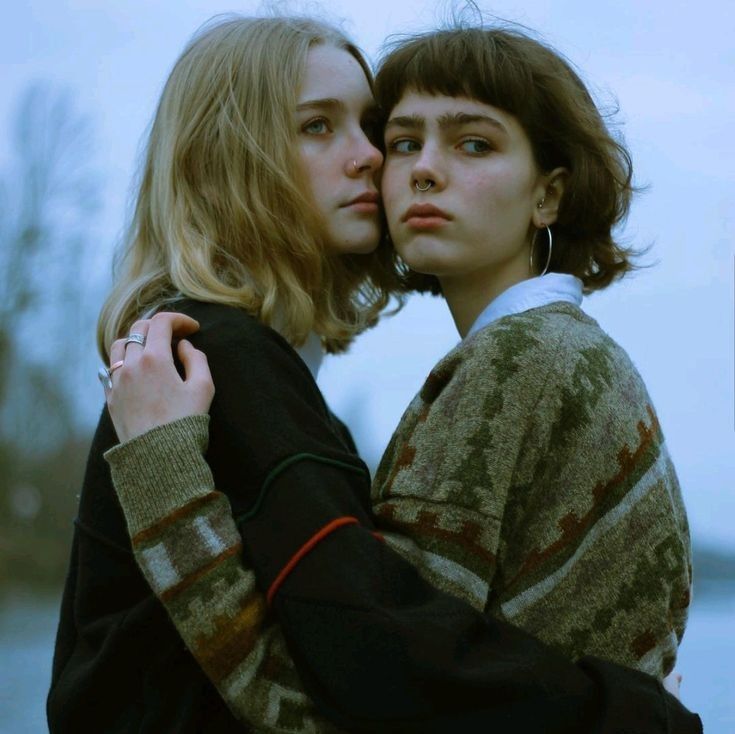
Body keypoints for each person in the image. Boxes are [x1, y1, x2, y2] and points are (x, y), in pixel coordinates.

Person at [50, 14, 700, 734]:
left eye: (368, 129)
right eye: (319, 127)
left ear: (547, 194)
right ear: (230, 158)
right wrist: (635, 715)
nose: (374, 160)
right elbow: (383, 667)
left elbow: (376, 659)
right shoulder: (216, 356)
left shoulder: (522, 358)